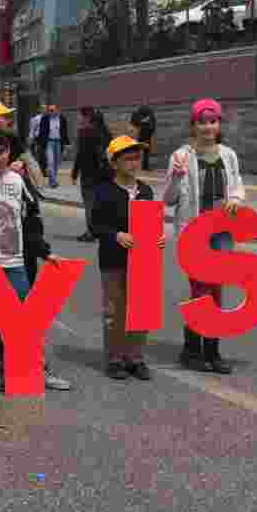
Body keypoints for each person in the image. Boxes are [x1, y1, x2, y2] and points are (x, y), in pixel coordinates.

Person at [0, 129, 71, 394]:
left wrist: (45, 251)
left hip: (18, 263)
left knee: (27, 319)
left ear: (9, 151)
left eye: (2, 151)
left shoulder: (19, 181)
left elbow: (32, 222)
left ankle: (37, 367)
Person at [163, 98, 245, 374]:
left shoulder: (228, 155)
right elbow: (169, 199)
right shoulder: (181, 156)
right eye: (202, 121)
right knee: (200, 290)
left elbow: (237, 186)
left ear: (219, 124)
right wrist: (176, 175)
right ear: (193, 125)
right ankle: (191, 348)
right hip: (193, 232)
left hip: (220, 232)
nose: (208, 126)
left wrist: (235, 198)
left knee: (217, 289)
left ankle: (212, 350)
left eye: (213, 121)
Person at [91, 135, 166, 381]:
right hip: (114, 260)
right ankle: (115, 358)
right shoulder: (103, 191)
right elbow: (95, 225)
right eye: (127, 158)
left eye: (137, 158)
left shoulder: (145, 190)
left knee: (140, 309)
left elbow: (153, 222)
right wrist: (115, 235)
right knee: (115, 310)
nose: (134, 163)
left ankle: (135, 358)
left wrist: (159, 238)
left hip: (144, 261)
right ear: (114, 163)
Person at [0, 102, 46, 192]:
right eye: (5, 117)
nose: (8, 120)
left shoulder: (11, 135)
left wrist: (39, 186)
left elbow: (29, 161)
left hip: (12, 185)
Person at [71, 106, 111, 242]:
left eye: (80, 115)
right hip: (105, 173)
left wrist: (75, 173)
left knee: (89, 204)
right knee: (100, 203)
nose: (78, 118)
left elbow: (81, 155)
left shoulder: (85, 133)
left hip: (89, 173)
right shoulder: (105, 132)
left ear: (87, 117)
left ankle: (91, 232)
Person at [36, 103, 70, 189]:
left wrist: (67, 144)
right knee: (50, 162)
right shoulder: (45, 118)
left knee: (56, 163)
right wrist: (39, 144)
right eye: (49, 110)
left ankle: (52, 181)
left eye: (52, 110)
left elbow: (65, 132)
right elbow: (41, 132)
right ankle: (54, 182)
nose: (50, 112)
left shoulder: (62, 119)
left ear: (57, 110)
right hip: (49, 142)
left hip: (58, 142)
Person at [130, 103, 157, 171]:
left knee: (143, 151)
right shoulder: (147, 112)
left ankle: (143, 167)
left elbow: (133, 121)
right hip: (143, 134)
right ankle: (143, 167)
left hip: (144, 134)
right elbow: (134, 122)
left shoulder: (146, 112)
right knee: (143, 151)